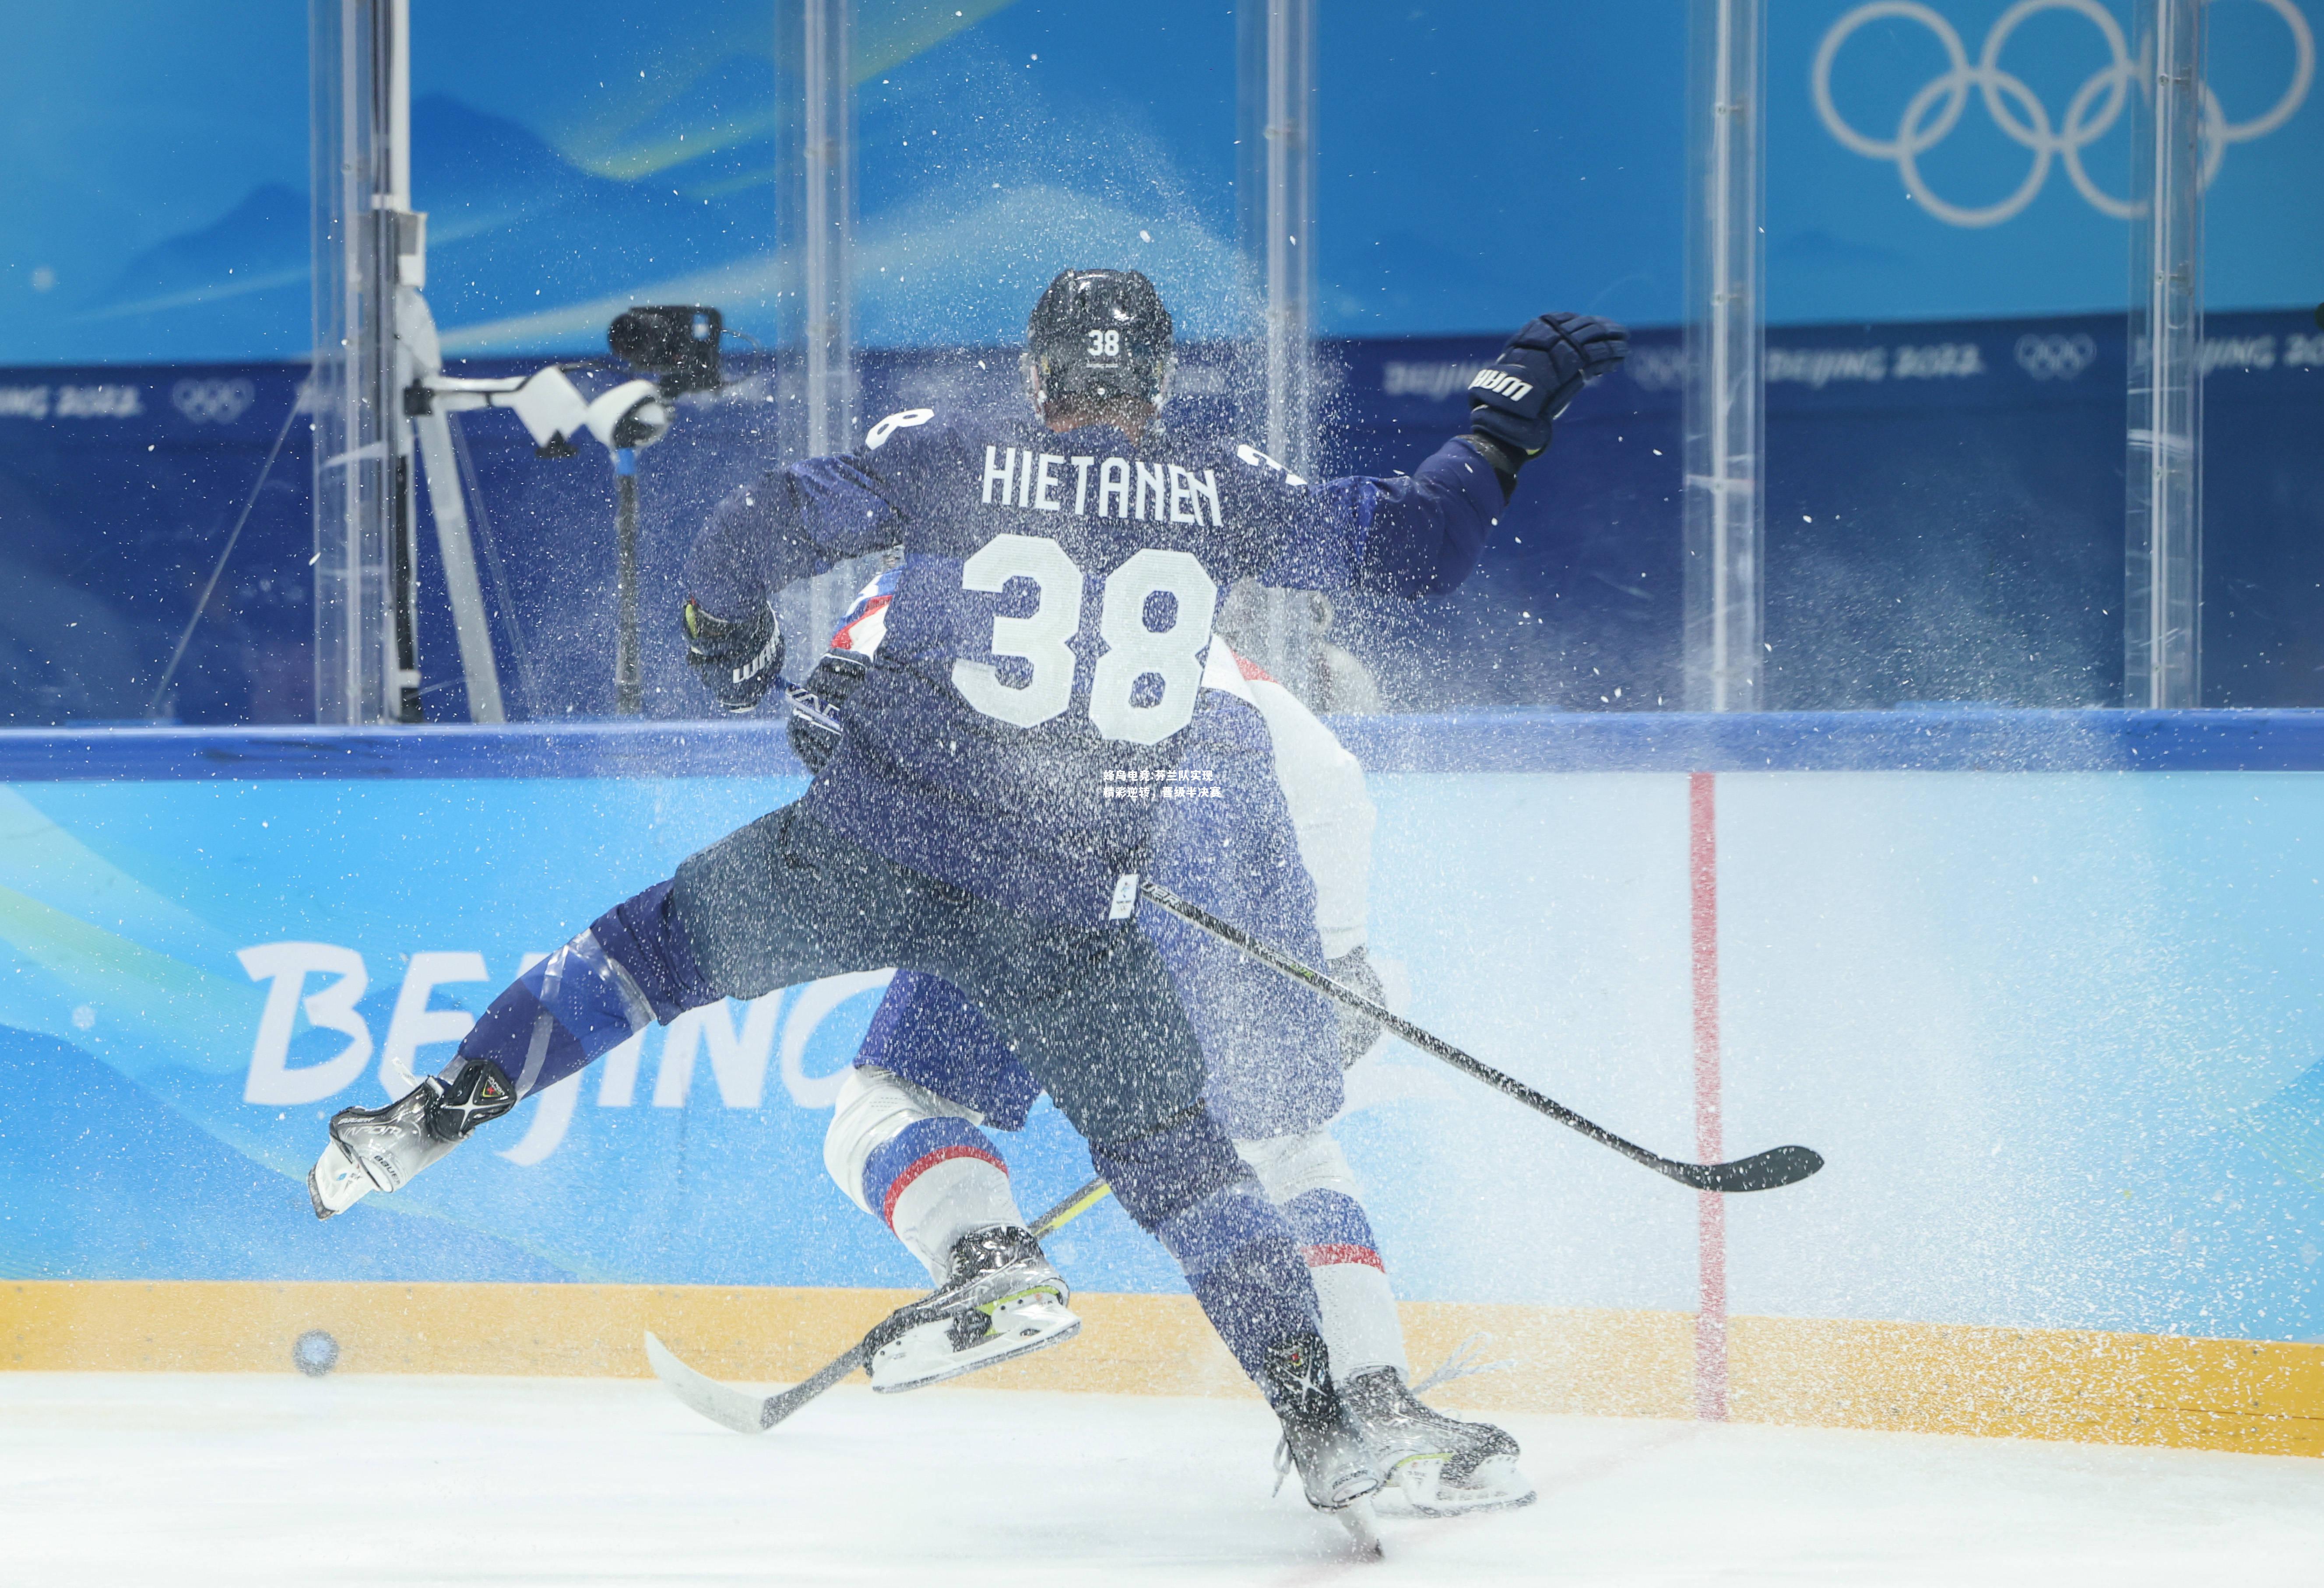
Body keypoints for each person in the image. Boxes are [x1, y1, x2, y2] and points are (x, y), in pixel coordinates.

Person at [305, 267, 1626, 1520]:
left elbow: (750, 529)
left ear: (1035, 373)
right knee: (1197, 1160)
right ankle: (1331, 1417)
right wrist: (1498, 437)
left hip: (886, 844)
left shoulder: (951, 452)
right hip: (1075, 896)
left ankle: (441, 1112)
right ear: (1159, 384)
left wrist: (732, 640)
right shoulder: (1220, 487)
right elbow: (1404, 554)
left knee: (648, 959)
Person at [794, 572, 1535, 1516]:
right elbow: (1334, 781)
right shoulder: (1183, 599)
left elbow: (833, 701)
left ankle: (989, 1255)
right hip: (1228, 842)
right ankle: (1374, 1398)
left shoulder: (952, 550)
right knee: (1284, 1150)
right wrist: (1340, 958)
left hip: (1038, 841)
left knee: (886, 1099)